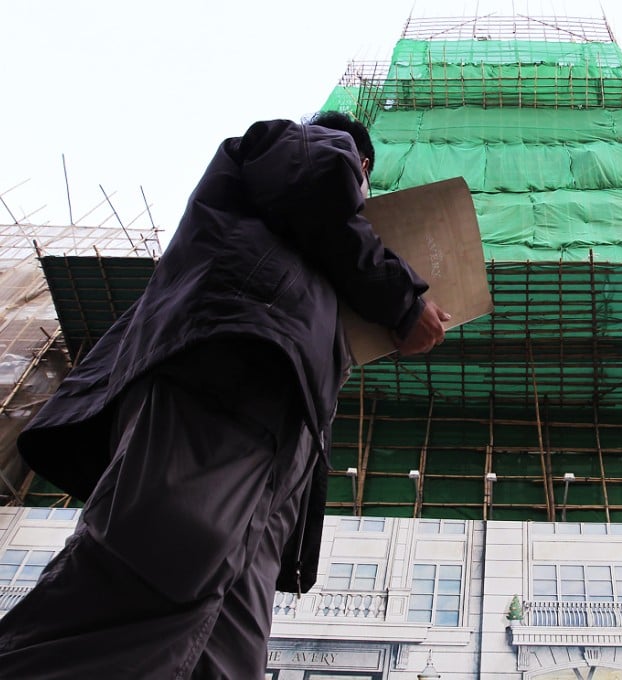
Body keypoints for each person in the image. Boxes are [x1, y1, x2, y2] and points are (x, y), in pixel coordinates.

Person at [0, 112, 449, 678]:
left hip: (272, 424)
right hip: (232, 385)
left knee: (223, 647)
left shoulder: (298, 239)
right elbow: (317, 184)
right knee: (135, 594)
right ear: (360, 166)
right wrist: (403, 303)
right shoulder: (311, 146)